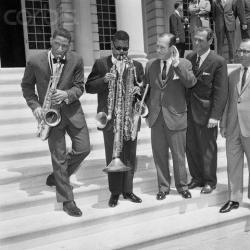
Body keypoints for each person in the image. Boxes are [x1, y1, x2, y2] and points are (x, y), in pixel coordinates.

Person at [21, 28, 90, 217]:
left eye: (65, 46)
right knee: (58, 158)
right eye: (57, 44)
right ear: (51, 41)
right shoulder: (35, 61)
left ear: (69, 46)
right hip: (51, 116)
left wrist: (67, 94)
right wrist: (35, 106)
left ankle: (58, 176)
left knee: (84, 148)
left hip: (73, 111)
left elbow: (79, 87)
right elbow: (26, 86)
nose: (60, 49)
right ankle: (67, 200)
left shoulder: (76, 59)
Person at [85, 30, 144, 208]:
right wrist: (103, 80)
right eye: (118, 48)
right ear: (112, 46)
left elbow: (142, 88)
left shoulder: (137, 66)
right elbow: (88, 87)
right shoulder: (101, 64)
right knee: (113, 155)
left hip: (129, 118)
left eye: (125, 49)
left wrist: (138, 92)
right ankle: (114, 192)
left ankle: (128, 190)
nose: (121, 52)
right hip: (110, 119)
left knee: (129, 156)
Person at [144, 33, 196, 200]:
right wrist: (146, 111)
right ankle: (163, 187)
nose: (157, 50)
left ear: (172, 48)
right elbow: (147, 89)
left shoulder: (184, 63)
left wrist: (176, 64)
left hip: (176, 117)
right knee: (159, 155)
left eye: (162, 47)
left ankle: (182, 186)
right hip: (156, 118)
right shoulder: (150, 65)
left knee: (178, 155)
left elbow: (190, 82)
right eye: (157, 46)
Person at [186, 27, 228, 194]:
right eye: (195, 39)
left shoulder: (218, 61)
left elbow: (221, 91)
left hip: (206, 113)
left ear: (210, 41)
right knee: (191, 147)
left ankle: (209, 181)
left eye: (200, 40)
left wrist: (215, 116)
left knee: (207, 148)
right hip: (189, 111)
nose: (196, 43)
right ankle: (196, 177)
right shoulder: (189, 58)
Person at [219, 39, 250, 213]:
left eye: (246, 51)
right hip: (232, 127)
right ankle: (234, 199)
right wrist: (223, 124)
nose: (242, 54)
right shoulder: (232, 76)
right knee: (233, 165)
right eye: (240, 51)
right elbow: (228, 102)